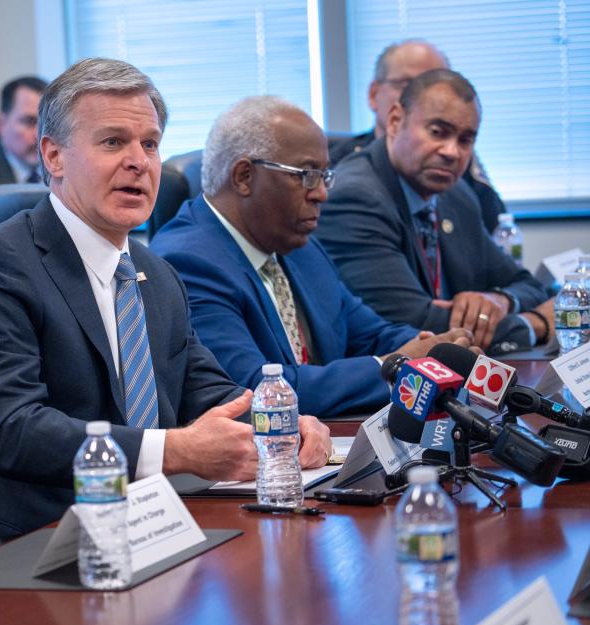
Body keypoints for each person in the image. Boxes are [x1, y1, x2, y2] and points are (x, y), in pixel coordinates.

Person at [0, 58, 332, 543]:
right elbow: (14, 432)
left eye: (150, 144)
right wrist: (176, 451)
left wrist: (280, 422)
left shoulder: (155, 273)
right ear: (53, 157)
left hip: (147, 530)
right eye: (113, 142)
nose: (139, 161)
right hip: (22, 544)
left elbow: (207, 392)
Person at [150, 96, 473, 417]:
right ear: (244, 176)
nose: (321, 193)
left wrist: (436, 348)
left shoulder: (298, 246)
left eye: (324, 175)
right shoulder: (188, 262)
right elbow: (251, 391)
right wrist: (394, 367)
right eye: (305, 174)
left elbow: (370, 334)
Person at [318, 69, 550, 356]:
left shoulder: (455, 193)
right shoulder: (356, 197)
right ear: (394, 121)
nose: (452, 152)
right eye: (438, 132)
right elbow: (418, 325)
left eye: (465, 140)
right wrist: (535, 323)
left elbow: (527, 284)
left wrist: (499, 300)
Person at [328, 40, 506, 233]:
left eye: (439, 85)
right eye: (408, 85)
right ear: (374, 95)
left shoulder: (458, 171)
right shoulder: (338, 170)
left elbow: (499, 235)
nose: (424, 95)